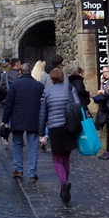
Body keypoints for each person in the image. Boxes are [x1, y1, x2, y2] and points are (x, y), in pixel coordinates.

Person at [39, 67, 80, 203]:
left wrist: (41, 132)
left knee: (57, 159)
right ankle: (64, 188)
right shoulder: (69, 88)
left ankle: (64, 183)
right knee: (66, 158)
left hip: (54, 128)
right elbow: (78, 105)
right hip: (68, 126)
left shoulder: (47, 91)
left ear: (51, 78)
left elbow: (43, 113)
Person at [2, 62, 45, 181]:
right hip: (33, 118)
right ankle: (32, 172)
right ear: (30, 72)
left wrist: (5, 120)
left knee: (17, 144)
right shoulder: (39, 86)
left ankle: (18, 169)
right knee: (32, 147)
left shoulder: (15, 85)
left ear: (20, 72)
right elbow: (43, 104)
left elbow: (9, 104)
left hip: (18, 118)